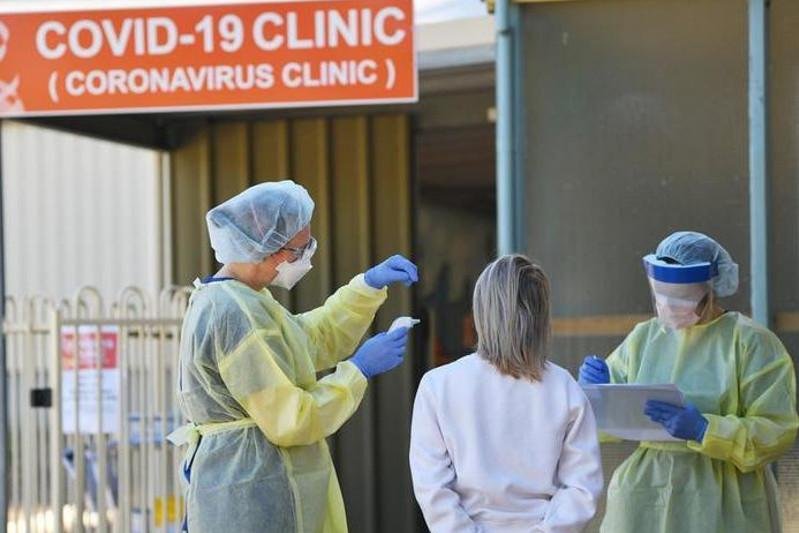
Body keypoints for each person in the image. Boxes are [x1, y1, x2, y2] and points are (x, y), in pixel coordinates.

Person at [169, 180, 419, 533]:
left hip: (255, 483)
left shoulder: (244, 298)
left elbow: (306, 341)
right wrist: (357, 370)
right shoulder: (232, 312)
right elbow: (292, 418)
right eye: (299, 250)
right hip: (251, 494)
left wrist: (367, 286)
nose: (306, 258)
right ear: (264, 248)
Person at [579, 231, 799, 533]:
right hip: (645, 494)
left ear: (711, 288)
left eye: (682, 300)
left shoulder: (750, 342)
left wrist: (706, 429)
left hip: (724, 501)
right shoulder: (645, 337)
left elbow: (777, 428)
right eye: (662, 298)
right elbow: (596, 426)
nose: (670, 308)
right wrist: (595, 395)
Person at [410, 255, 603, 533]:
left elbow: (432, 488)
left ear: (481, 311)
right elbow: (581, 489)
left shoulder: (437, 386)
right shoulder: (565, 388)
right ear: (541, 315)